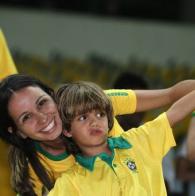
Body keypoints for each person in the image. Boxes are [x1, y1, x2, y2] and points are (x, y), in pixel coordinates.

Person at [1, 74, 195, 195]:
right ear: (17, 131)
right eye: (27, 117)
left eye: (42, 103)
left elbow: (172, 96)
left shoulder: (96, 102)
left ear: (52, 96)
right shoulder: (49, 178)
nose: (42, 118)